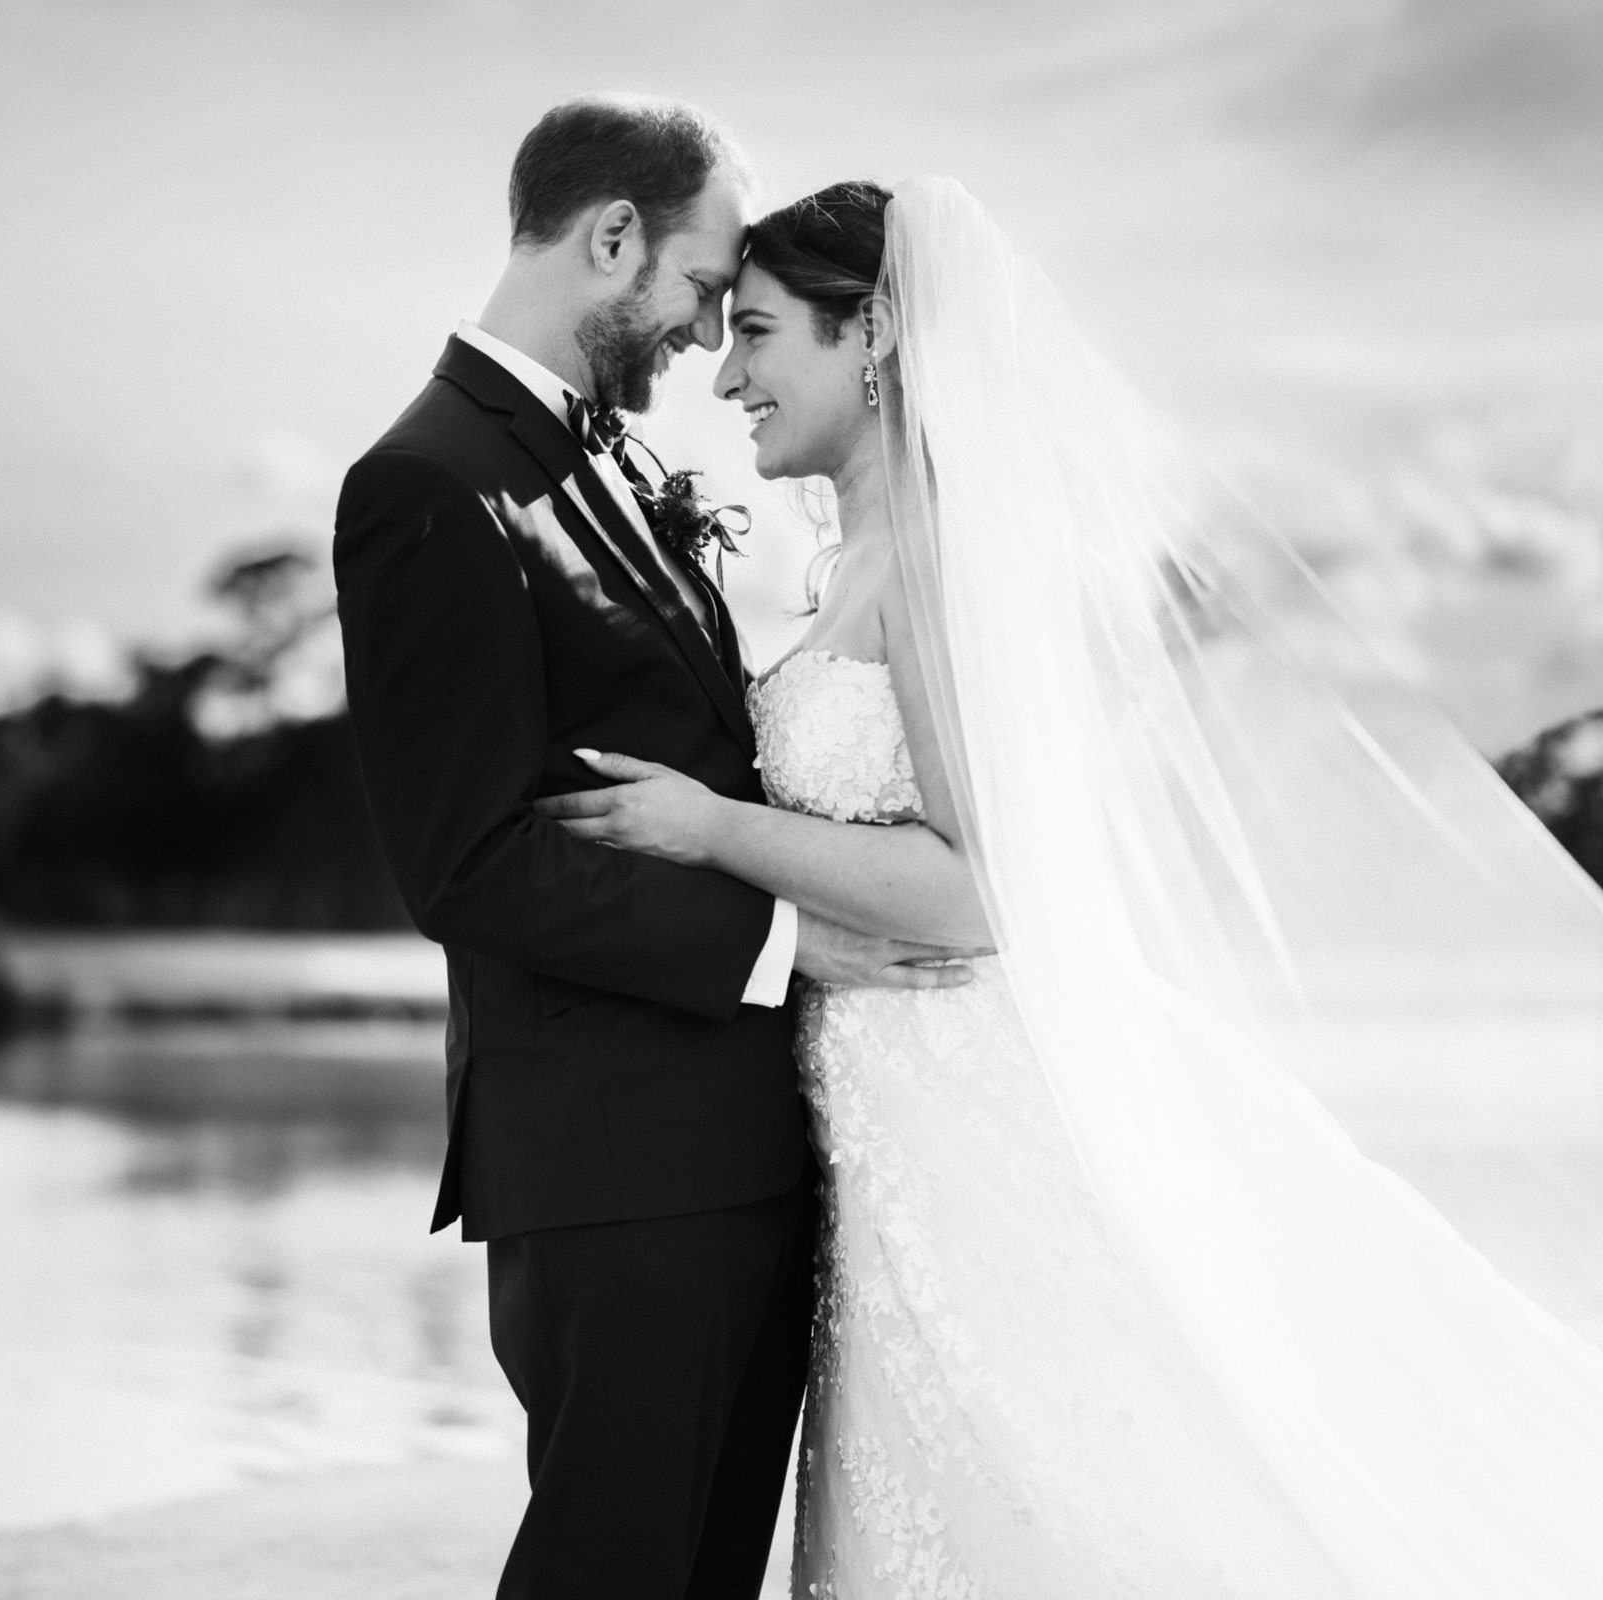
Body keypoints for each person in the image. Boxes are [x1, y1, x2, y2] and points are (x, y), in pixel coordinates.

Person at [538, 176, 1603, 1598]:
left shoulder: (929, 561)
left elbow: (979, 892)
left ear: (879, 337)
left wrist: (708, 829)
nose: (728, 375)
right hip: (884, 1116)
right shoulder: (848, 557)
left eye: (763, 333)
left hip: (965, 1106)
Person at [332, 102, 981, 1599]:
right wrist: (782, 939)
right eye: (702, 293)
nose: (706, 342)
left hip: (733, 1159)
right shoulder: (433, 485)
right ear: (610, 239)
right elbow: (471, 863)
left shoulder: (598, 470)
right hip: (618, 1173)